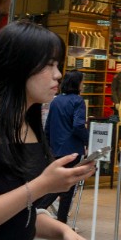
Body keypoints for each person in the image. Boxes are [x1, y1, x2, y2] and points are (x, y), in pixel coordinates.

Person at [0, 22, 96, 240]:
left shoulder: (27, 125)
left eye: (58, 65)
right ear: (17, 66)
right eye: (48, 65)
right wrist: (43, 185)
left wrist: (62, 231)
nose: (58, 75)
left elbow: (18, 212)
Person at [44, 71, 89, 224]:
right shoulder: (78, 101)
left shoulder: (56, 101)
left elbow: (48, 126)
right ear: (77, 84)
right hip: (72, 148)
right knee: (66, 186)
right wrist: (88, 140)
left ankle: (60, 219)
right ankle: (44, 211)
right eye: (82, 82)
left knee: (61, 184)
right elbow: (78, 125)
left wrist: (48, 146)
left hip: (56, 148)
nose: (84, 85)